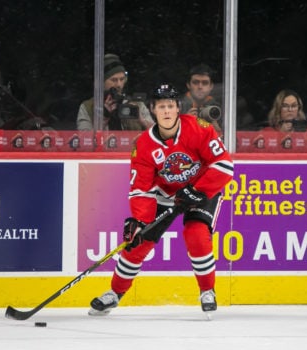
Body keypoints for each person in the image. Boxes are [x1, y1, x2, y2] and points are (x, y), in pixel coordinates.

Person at [89, 83, 234, 316]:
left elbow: (224, 165)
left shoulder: (199, 128)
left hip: (202, 190)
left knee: (196, 235)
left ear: (178, 109)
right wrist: (139, 221)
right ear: (153, 110)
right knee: (139, 242)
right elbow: (141, 189)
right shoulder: (143, 145)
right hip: (166, 195)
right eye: (161, 107)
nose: (166, 111)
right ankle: (115, 293)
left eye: (170, 106)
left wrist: (197, 190)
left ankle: (207, 290)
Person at [77, 53, 154, 131]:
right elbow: (85, 139)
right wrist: (104, 118)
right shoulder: (88, 107)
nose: (119, 85)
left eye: (122, 79)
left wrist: (142, 121)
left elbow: (158, 136)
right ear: (100, 82)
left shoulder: (137, 105)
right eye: (114, 80)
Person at [180, 63, 222, 134]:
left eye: (205, 83)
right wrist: (184, 122)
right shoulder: (176, 106)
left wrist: (217, 129)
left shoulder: (219, 108)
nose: (200, 87)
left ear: (211, 86)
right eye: (195, 82)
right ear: (188, 85)